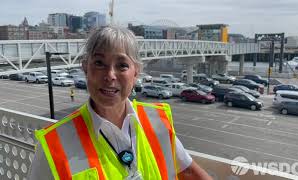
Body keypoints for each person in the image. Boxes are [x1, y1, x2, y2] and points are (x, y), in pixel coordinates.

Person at [28, 26, 212, 180]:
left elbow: (188, 171)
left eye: (122, 65)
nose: (109, 76)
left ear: (136, 72)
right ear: (85, 68)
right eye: (99, 63)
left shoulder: (156, 122)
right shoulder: (56, 145)